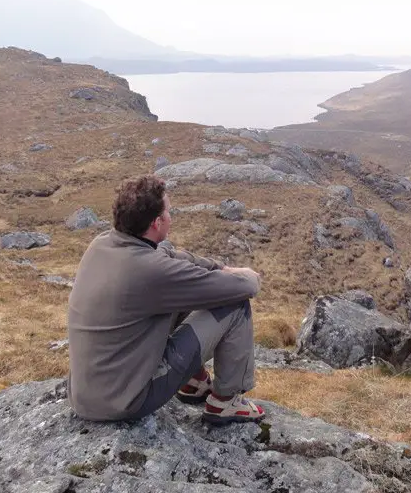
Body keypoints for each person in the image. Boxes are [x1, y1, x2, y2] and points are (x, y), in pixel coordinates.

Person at [67, 175, 265, 424]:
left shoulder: (102, 244)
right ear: (156, 222)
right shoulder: (152, 271)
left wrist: (221, 267)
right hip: (125, 401)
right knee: (235, 305)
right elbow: (243, 288)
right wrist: (247, 276)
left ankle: (194, 382)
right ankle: (226, 402)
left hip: (86, 395)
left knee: (180, 299)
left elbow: (171, 255)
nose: (171, 217)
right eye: (169, 212)